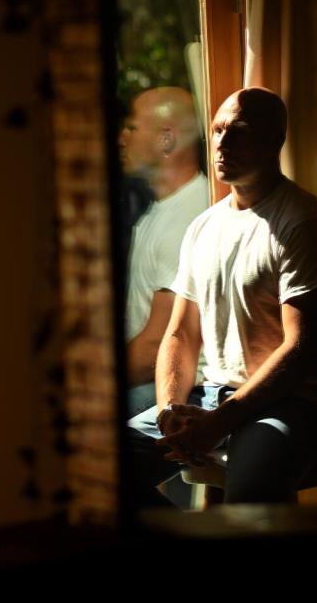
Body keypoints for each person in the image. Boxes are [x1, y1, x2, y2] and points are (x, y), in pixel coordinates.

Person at [128, 87, 317, 506]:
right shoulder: (205, 226)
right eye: (217, 131)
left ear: (274, 140)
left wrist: (221, 420)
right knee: (101, 468)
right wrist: (168, 411)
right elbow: (180, 333)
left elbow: (302, 347)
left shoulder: (300, 219)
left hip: (285, 404)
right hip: (212, 395)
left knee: (253, 495)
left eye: (238, 131)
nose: (222, 142)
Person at [119, 87, 209, 417]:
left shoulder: (186, 219)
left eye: (132, 127)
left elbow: (154, 349)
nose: (121, 138)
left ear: (166, 139)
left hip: (180, 390)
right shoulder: (162, 209)